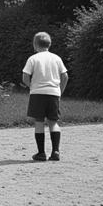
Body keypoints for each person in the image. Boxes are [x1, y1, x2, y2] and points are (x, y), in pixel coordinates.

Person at [22, 31, 68, 161]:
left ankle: (41, 153)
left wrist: (31, 86)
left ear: (35, 45)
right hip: (53, 93)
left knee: (39, 122)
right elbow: (65, 76)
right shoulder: (56, 58)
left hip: (37, 93)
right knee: (53, 122)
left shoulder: (33, 58)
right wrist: (60, 91)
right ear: (50, 44)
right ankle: (56, 152)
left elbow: (25, 76)